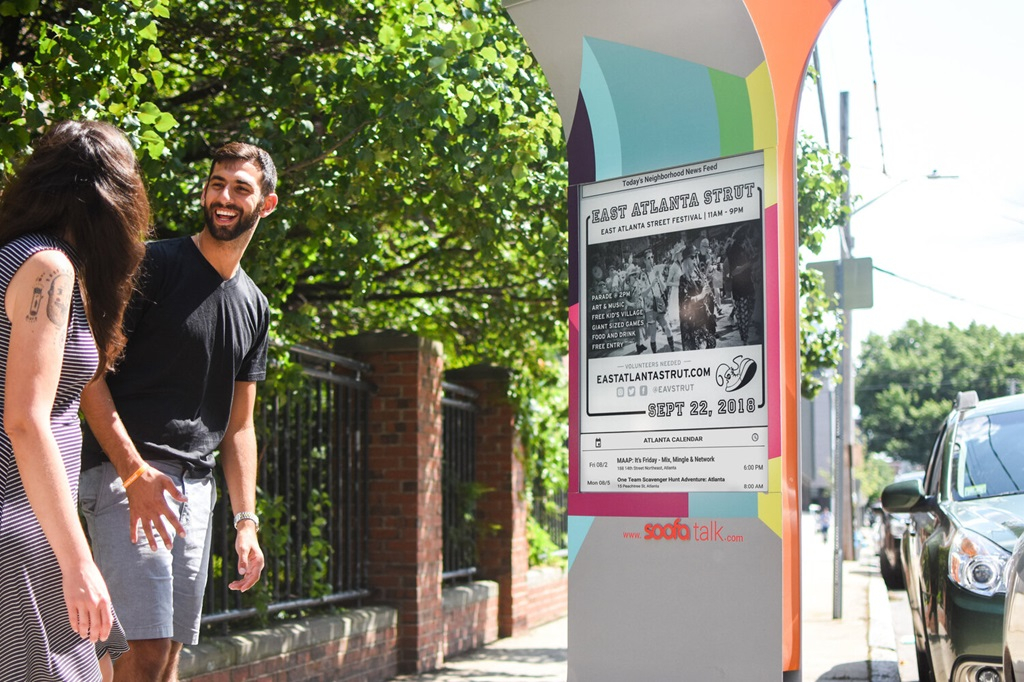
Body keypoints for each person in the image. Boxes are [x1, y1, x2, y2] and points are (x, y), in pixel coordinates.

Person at [79, 141, 279, 681]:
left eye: (241, 188)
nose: (224, 197)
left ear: (266, 204)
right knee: (136, 651)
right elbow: (88, 376)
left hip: (196, 489)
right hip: (129, 478)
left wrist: (246, 522)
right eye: (217, 183)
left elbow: (239, 426)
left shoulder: (254, 305)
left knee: (166, 655)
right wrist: (133, 471)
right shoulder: (154, 264)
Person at [0, 120, 150, 680]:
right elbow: (26, 421)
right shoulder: (48, 268)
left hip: (35, 521)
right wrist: (78, 561)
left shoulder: (19, 256)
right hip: (21, 528)